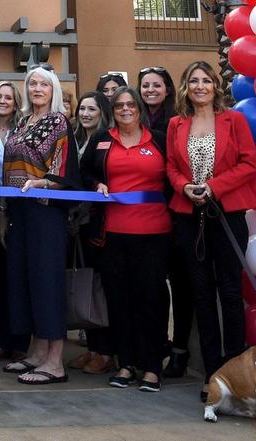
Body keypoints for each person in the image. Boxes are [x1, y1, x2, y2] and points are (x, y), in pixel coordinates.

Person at [166, 60, 256, 398]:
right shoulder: (177, 123)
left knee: (231, 293)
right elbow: (171, 167)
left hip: (228, 213)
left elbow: (249, 163)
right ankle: (213, 373)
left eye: (206, 80)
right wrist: (184, 187)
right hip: (189, 216)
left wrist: (215, 187)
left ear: (216, 86)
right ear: (185, 87)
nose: (200, 86)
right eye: (194, 81)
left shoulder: (235, 120)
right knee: (201, 294)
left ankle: (237, 373)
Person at [81, 86, 170, 392]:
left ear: (139, 108)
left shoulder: (158, 139)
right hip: (113, 235)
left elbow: (174, 176)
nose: (126, 109)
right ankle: (125, 364)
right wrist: (96, 185)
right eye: (119, 105)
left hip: (154, 235)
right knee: (119, 302)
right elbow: (84, 173)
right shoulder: (102, 139)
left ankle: (152, 368)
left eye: (131, 104)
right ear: (113, 110)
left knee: (151, 301)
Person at [2, 65, 78, 385]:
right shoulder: (21, 122)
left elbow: (64, 173)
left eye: (43, 84)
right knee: (26, 281)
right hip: (20, 212)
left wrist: (42, 184)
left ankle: (56, 362)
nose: (36, 88)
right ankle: (37, 352)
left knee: (47, 284)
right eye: (32, 83)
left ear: (53, 90)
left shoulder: (59, 122)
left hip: (46, 212)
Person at [137, 65, 190, 378]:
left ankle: (180, 349)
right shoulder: (136, 120)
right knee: (153, 287)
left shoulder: (176, 121)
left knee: (181, 287)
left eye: (156, 85)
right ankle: (155, 346)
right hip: (145, 219)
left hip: (177, 212)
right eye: (145, 86)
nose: (150, 91)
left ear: (168, 89)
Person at [67, 91, 115, 377]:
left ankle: (106, 351)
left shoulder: (107, 140)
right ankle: (94, 347)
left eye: (91, 109)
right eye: (82, 109)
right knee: (86, 284)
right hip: (78, 225)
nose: (85, 114)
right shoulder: (76, 139)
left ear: (102, 112)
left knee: (100, 289)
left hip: (100, 225)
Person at [0, 80, 27, 362]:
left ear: (15, 103)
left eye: (8, 98)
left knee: (19, 277)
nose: (2, 101)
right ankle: (1, 338)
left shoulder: (24, 129)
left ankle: (21, 340)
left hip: (21, 211)